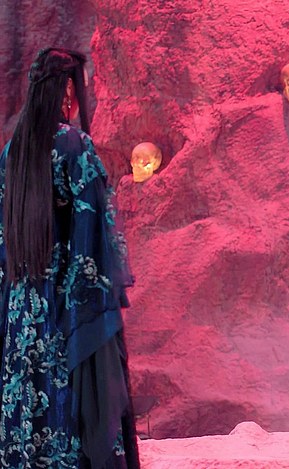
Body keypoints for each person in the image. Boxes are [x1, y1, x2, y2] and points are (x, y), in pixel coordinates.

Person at [0, 48, 140, 467]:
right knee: (70, 408)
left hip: (21, 311)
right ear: (65, 90)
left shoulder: (10, 153)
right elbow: (93, 225)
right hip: (64, 305)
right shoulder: (73, 144)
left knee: (26, 404)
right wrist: (97, 294)